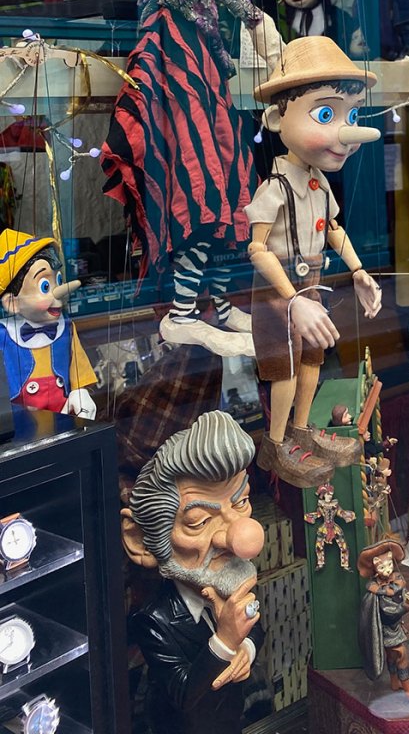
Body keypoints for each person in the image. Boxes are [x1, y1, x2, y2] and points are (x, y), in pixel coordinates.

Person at [101, 0, 283, 356]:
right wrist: (249, 7)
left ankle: (218, 304)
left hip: (203, 51)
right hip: (173, 44)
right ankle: (181, 315)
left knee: (229, 180)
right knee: (198, 177)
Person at [248, 36, 382, 486]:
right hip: (281, 290)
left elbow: (334, 229)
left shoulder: (320, 184)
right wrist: (292, 301)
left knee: (312, 359)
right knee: (284, 368)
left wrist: (358, 271)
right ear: (276, 119)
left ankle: (302, 431)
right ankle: (276, 442)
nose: (346, 131)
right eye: (326, 114)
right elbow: (257, 249)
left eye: (352, 115)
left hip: (312, 284)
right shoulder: (274, 188)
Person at [121, 410, 266, 734]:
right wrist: (226, 641)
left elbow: (256, 626)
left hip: (232, 718)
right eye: (199, 522)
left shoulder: (231, 585)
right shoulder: (154, 618)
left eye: (241, 502)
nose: (237, 537)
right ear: (139, 541)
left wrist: (246, 648)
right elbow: (183, 692)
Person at [0, 229, 95, 418]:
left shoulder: (66, 328)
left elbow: (79, 370)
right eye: (45, 286)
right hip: (21, 425)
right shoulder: (3, 336)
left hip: (64, 418)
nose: (59, 291)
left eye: (58, 280)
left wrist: (80, 392)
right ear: (12, 303)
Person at [357, 537, 409, 699]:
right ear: (375, 568)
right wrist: (407, 606)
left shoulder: (396, 580)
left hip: (397, 626)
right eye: (382, 567)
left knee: (392, 657)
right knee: (402, 657)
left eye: (389, 564)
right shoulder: (379, 592)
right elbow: (390, 614)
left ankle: (395, 682)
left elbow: (402, 596)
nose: (387, 569)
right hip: (388, 630)